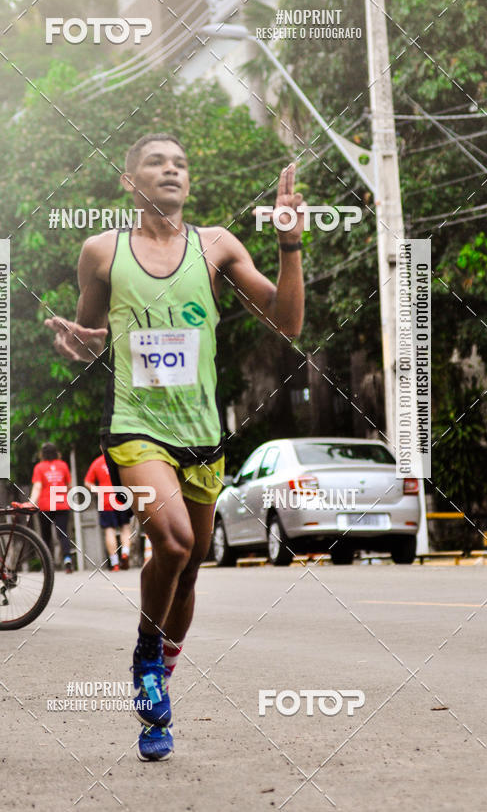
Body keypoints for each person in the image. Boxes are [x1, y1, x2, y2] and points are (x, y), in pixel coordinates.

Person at [46, 133, 304, 761]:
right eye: (157, 163)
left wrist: (290, 246)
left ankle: (157, 690)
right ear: (130, 182)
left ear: (188, 183)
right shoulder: (101, 251)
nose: (171, 171)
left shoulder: (217, 246)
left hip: (202, 434)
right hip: (136, 427)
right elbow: (94, 335)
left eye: (180, 164)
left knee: (187, 575)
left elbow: (288, 322)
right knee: (175, 540)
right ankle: (144, 651)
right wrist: (78, 341)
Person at [29, 442, 73, 573]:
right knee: (63, 534)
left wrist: (31, 502)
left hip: (45, 505)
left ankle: (47, 564)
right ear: (56, 452)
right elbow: (69, 485)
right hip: (61, 504)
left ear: (42, 454)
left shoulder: (39, 467)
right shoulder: (63, 465)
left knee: (45, 536)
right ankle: (67, 559)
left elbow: (37, 487)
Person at [84, 453, 132, 571]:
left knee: (109, 530)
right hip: (122, 498)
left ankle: (115, 562)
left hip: (105, 501)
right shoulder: (120, 457)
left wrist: (99, 491)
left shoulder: (97, 462)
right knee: (125, 528)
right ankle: (125, 552)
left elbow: (87, 482)